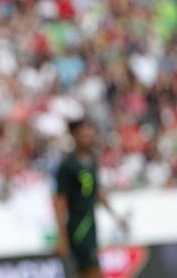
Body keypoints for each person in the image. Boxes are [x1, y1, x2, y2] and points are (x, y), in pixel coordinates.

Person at [54, 119, 129, 278]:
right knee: (93, 271)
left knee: (86, 272)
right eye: (83, 130)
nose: (88, 134)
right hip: (78, 226)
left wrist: (116, 216)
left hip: (91, 223)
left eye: (90, 129)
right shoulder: (68, 165)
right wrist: (61, 237)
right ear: (74, 134)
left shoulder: (91, 160)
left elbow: (96, 192)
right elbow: (59, 201)